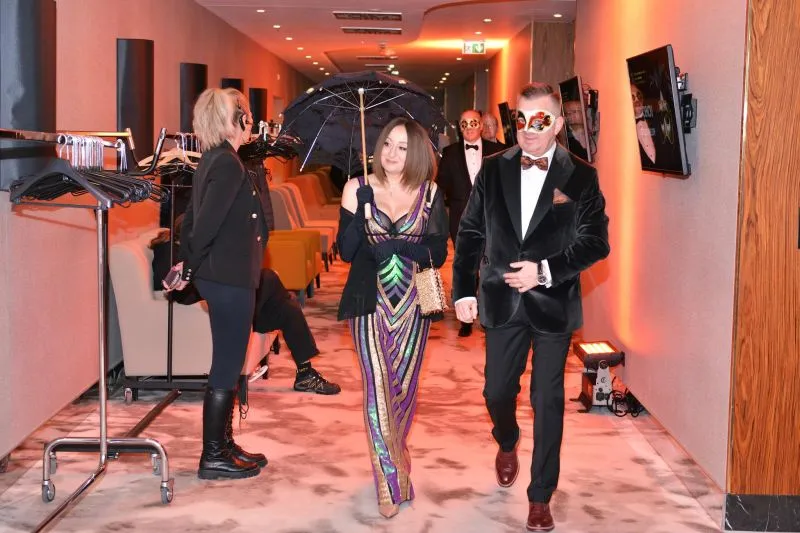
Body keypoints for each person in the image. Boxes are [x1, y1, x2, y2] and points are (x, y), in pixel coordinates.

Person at [452, 82, 610, 532]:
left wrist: (543, 271)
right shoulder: (493, 169)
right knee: (496, 392)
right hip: (501, 299)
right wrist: (463, 291)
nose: (527, 129)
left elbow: (595, 242)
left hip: (553, 303)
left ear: (557, 124)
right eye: (520, 120)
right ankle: (507, 439)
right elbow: (470, 232)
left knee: (547, 397)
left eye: (539, 121)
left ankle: (541, 494)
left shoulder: (580, 176)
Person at [336, 117, 448, 519]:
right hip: (369, 302)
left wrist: (401, 247)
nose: (391, 153)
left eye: (402, 147)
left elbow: (439, 251)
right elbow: (345, 251)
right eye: (387, 144)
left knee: (403, 392)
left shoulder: (430, 192)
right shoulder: (356, 188)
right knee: (377, 389)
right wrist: (362, 210)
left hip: (416, 304)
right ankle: (388, 485)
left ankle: (396, 458)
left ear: (415, 152)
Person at [164, 87, 267, 480]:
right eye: (246, 115)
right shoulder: (227, 163)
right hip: (228, 277)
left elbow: (192, 219)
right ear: (235, 120)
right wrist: (189, 269)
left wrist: (187, 265)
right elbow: (204, 225)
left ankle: (223, 444)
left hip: (224, 275)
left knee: (228, 359)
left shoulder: (215, 158)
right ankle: (213, 455)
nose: (251, 121)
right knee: (227, 361)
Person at [150, 219, 341, 395]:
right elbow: (176, 291)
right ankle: (277, 299)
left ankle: (305, 374)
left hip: (225, 302)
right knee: (267, 278)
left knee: (288, 309)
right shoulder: (168, 251)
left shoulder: (191, 252)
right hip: (207, 310)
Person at [437, 109, 504, 337]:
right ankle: (465, 318)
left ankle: (486, 314)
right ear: (460, 128)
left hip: (492, 218)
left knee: (489, 266)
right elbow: (441, 186)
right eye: (464, 124)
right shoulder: (449, 153)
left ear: (481, 126)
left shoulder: (498, 151)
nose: (468, 127)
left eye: (473, 122)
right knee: (465, 265)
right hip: (460, 218)